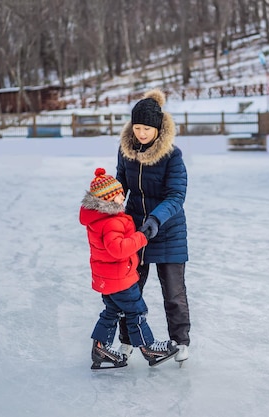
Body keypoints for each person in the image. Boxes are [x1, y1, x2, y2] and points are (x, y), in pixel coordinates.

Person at [116, 89, 191, 365]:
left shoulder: (172, 155)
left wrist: (156, 220)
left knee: (173, 292)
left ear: (158, 128)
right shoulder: (127, 151)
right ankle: (127, 341)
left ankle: (181, 342)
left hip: (168, 230)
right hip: (135, 232)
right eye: (137, 128)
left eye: (147, 128)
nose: (142, 134)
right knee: (129, 290)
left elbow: (176, 195)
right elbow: (120, 185)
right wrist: (106, 203)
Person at [79, 167, 179, 369]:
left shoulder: (98, 219)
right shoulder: (111, 222)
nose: (122, 195)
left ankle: (100, 348)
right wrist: (142, 237)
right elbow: (117, 249)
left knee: (111, 312)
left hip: (107, 278)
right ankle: (149, 348)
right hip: (120, 279)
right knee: (137, 311)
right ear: (107, 200)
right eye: (118, 194)